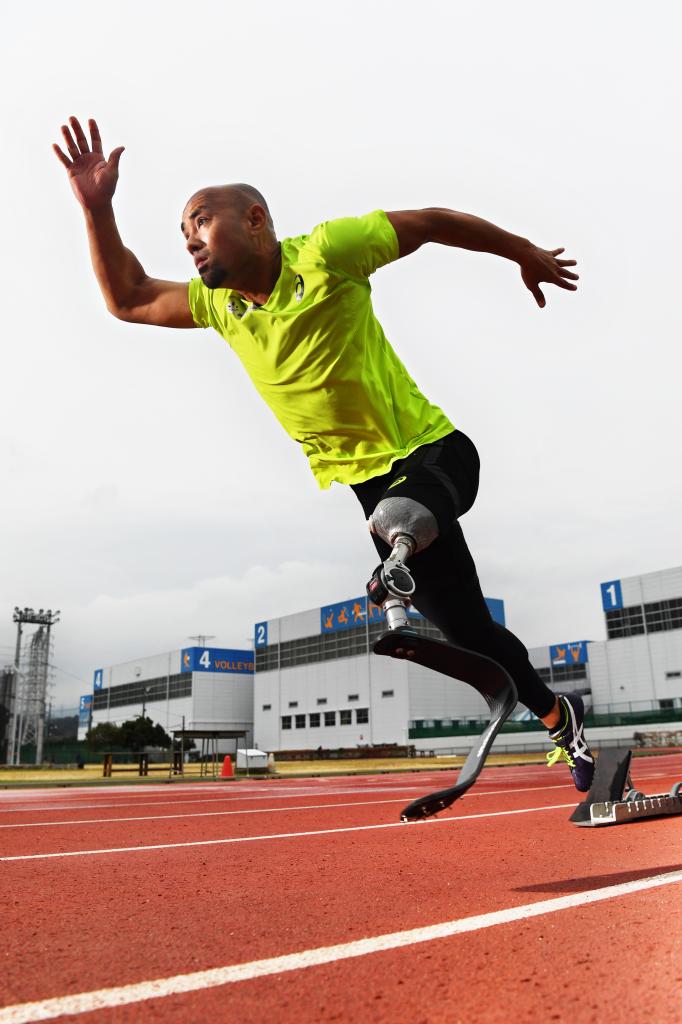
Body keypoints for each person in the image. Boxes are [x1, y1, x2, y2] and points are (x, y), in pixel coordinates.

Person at [53, 116, 594, 791]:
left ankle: (395, 564)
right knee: (469, 632)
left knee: (402, 512)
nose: (190, 241)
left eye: (200, 221)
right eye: (183, 235)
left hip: (434, 455)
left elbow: (427, 221)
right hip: (369, 489)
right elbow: (128, 297)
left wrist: (522, 251)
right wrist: (97, 209)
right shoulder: (220, 306)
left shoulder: (328, 252)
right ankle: (558, 716)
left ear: (255, 220)